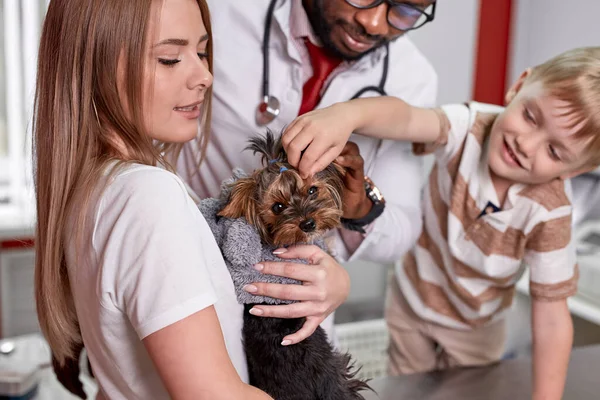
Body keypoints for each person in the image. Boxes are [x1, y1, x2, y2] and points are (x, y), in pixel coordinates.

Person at [34, 0, 346, 398]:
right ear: (95, 66)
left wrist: (329, 282)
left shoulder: (95, 190)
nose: (205, 75)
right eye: (169, 58)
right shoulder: (146, 195)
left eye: (201, 52)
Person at [280, 46, 600, 400]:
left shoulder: (551, 212)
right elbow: (405, 118)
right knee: (408, 390)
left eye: (554, 151)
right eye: (531, 116)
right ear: (520, 85)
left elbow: (553, 319)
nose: (526, 144)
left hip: (476, 328)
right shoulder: (470, 126)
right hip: (412, 303)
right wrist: (346, 116)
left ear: (575, 170)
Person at [176, 0, 439, 330]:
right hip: (186, 280)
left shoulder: (412, 78)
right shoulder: (223, 12)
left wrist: (358, 205)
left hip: (296, 309)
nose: (374, 23)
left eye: (407, 10)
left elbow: (400, 234)